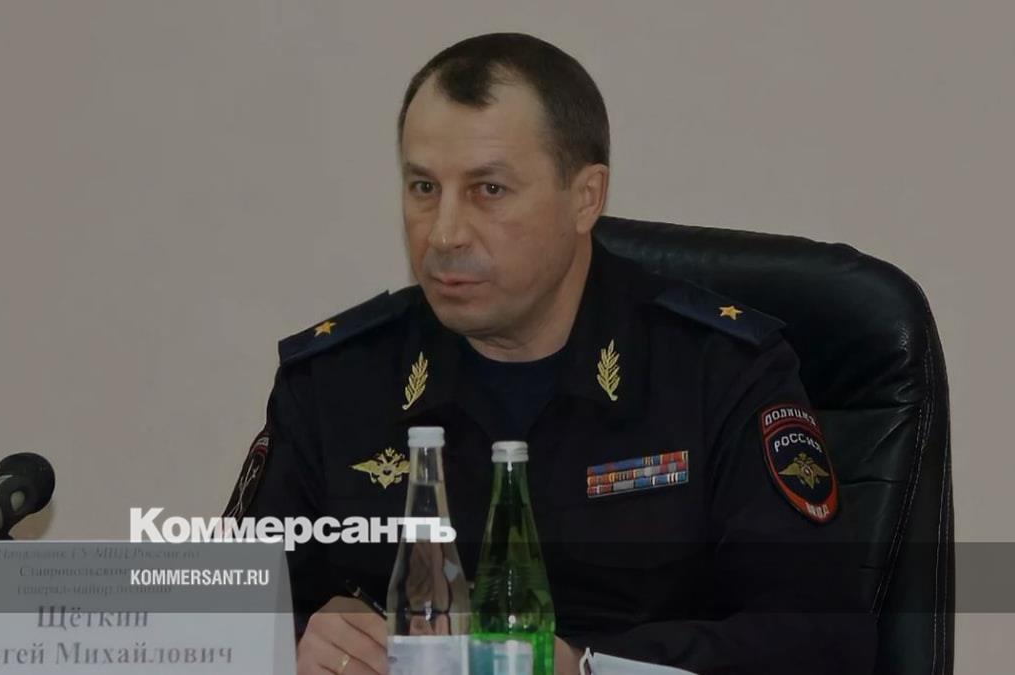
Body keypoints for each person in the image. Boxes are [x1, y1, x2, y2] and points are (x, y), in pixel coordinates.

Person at [224, 32, 876, 675]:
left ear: (585, 197)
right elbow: (210, 621)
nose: (444, 234)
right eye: (423, 187)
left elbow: (823, 636)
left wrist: (589, 668)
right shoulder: (335, 381)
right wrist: (297, 640)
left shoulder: (719, 370)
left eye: (489, 190)